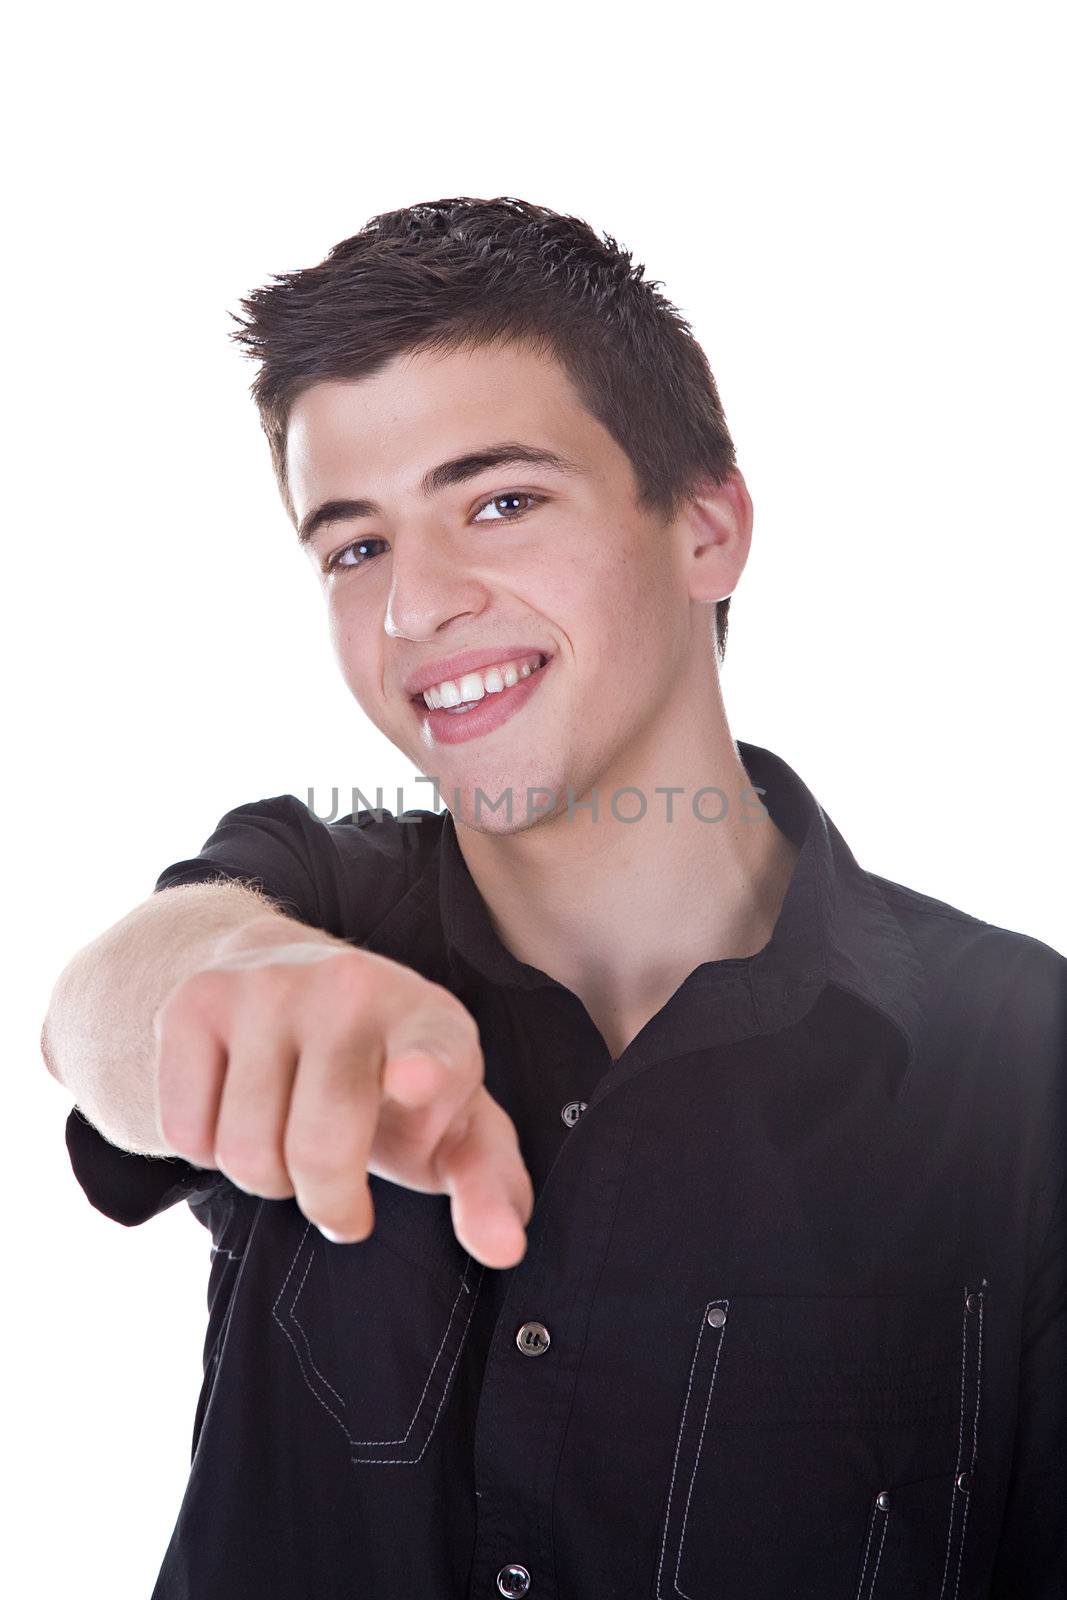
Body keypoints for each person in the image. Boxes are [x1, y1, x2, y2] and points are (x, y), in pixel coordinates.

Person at [43, 196, 1065, 1599]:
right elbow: (107, 1015)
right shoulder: (318, 897)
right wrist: (234, 980)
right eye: (355, 547)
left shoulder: (1022, 1061)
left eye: (501, 502)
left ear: (707, 527)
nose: (415, 608)